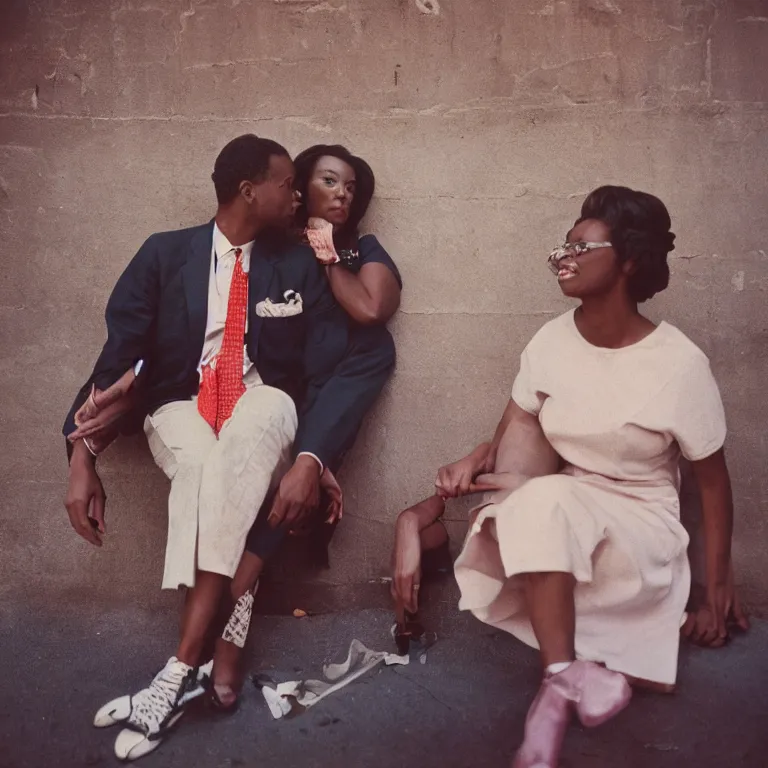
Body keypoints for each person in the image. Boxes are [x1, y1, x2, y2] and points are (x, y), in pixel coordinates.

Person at [391, 186, 749, 768]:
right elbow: (508, 439)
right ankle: (561, 680)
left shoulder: (678, 364)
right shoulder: (550, 341)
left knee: (547, 503)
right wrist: (426, 504)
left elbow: (713, 482)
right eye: (564, 244)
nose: (565, 255)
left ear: (630, 260)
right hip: (570, 504)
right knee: (540, 503)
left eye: (583, 246)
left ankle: (598, 655)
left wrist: (716, 589)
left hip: (642, 524)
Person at [66, 144, 402, 721]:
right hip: (181, 404)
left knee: (255, 424)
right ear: (250, 190)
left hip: (259, 405)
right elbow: (119, 357)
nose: (299, 196)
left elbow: (329, 362)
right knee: (204, 468)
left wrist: (317, 459)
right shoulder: (164, 254)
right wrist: (81, 455)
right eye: (290, 184)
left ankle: (178, 669)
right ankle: (204, 663)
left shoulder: (300, 265)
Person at [205, 144, 402, 709]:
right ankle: (227, 626)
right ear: (297, 190)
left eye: (351, 187)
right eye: (328, 182)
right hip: (282, 397)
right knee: (281, 465)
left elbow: (370, 310)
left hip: (338, 389)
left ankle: (232, 598)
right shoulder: (266, 253)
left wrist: (328, 255)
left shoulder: (361, 249)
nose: (342, 193)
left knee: (375, 349)